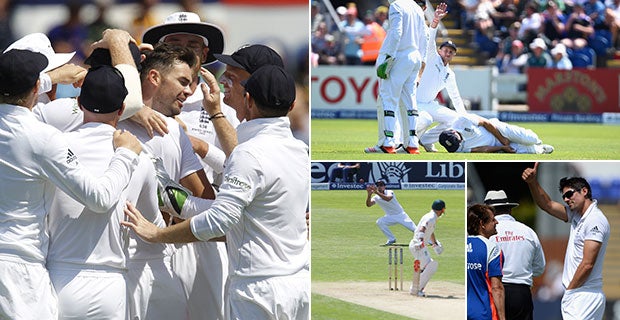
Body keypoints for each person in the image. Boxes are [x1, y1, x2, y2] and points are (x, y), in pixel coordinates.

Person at [122, 65, 310, 320]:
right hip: (299, 284)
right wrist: (174, 197)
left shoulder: (249, 153)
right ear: (291, 106)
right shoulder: (299, 150)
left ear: (249, 99)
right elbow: (240, 214)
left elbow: (219, 221)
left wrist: (158, 234)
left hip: (259, 290)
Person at [0, 49, 141, 319]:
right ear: (34, 88)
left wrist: (51, 79)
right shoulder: (44, 138)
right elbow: (99, 198)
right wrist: (125, 155)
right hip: (18, 272)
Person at [45, 65, 159, 319]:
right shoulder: (139, 156)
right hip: (111, 282)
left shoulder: (53, 147)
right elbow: (153, 227)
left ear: (80, 102)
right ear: (121, 110)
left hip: (58, 278)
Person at [142, 14, 233, 319]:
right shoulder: (136, 104)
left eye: (193, 45)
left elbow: (237, 171)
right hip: (152, 232)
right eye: (175, 44)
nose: (186, 50)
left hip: (205, 232)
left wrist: (202, 147)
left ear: (205, 54)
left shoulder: (224, 110)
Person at [522, 163, 609, 319]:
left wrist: (570, 290)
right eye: (564, 196)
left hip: (582, 294)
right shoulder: (578, 215)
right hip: (582, 293)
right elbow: (546, 204)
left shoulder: (594, 220)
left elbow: (588, 263)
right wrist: (532, 182)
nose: (566, 199)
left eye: (569, 194)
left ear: (584, 191)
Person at [364, 0, 428, 154]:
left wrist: (388, 58)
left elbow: (396, 33)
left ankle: (387, 143)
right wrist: (420, 59)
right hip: (415, 56)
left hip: (399, 56)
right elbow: (423, 36)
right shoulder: (416, 8)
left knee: (388, 98)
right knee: (410, 101)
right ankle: (411, 144)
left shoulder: (397, 5)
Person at [484, 190, 546, 320]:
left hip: (493, 290)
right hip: (521, 293)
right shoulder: (528, 231)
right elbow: (540, 268)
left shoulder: (486, 233)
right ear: (510, 210)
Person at [416, 2, 468, 152]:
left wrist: (465, 118)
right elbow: (430, 39)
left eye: (451, 52)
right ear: (440, 51)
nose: (448, 53)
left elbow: (456, 98)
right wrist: (435, 21)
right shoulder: (432, 57)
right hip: (416, 103)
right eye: (445, 50)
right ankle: (406, 141)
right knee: (425, 120)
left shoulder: (449, 74)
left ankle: (425, 140)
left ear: (454, 55)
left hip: (430, 104)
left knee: (456, 119)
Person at [438, 113, 555, 154]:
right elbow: (479, 149)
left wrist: (502, 138)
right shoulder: (455, 148)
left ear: (453, 131)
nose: (460, 142)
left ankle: (536, 141)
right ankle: (540, 149)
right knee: (525, 151)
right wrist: (502, 147)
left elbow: (485, 123)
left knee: (531, 139)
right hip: (495, 145)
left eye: (458, 139)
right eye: (458, 143)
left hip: (497, 129)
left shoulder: (463, 120)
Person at [467, 204, 506, 320]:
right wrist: (503, 317)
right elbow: (497, 288)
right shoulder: (492, 248)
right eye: (493, 219)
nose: (497, 222)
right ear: (482, 224)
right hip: (483, 313)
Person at [408, 199, 446, 297]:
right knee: (431, 266)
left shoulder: (432, 217)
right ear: (441, 210)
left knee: (429, 266)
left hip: (419, 246)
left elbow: (430, 231)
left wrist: (435, 243)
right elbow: (423, 228)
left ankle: (416, 288)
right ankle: (416, 289)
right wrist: (420, 241)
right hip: (418, 246)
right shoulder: (430, 217)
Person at [366, 180, 417, 245]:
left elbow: (388, 199)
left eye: (381, 185)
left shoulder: (390, 192)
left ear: (384, 186)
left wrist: (376, 192)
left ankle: (429, 240)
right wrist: (369, 195)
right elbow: (369, 205)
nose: (379, 187)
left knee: (415, 229)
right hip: (390, 216)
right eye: (378, 185)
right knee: (379, 222)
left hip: (401, 215)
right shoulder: (376, 197)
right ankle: (391, 239)